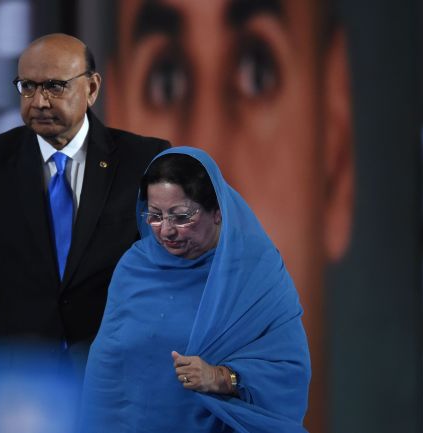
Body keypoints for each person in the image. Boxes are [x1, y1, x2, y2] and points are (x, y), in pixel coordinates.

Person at [104, 1, 353, 430]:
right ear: (118, 110)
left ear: (336, 157)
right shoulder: (131, 274)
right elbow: (107, 388)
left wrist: (222, 377)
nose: (208, 140)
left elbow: (288, 376)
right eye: (165, 79)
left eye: (257, 72)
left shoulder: (262, 277)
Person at [0, 33, 170, 417]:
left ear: (92, 87)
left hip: (119, 380)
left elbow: (172, 271)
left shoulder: (142, 159)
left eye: (54, 86)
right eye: (27, 86)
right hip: (20, 387)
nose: (39, 101)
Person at [79, 147, 311, 433]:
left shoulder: (255, 271)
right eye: (154, 215)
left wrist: (220, 377)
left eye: (181, 216)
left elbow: (288, 370)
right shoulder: (135, 266)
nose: (166, 231)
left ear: (217, 212)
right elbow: (107, 368)